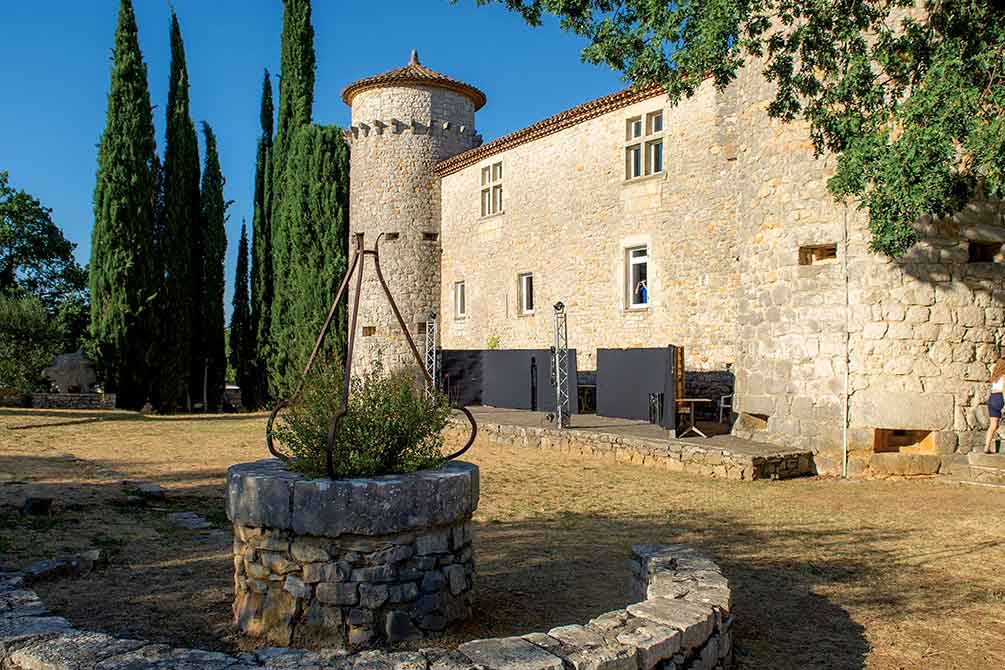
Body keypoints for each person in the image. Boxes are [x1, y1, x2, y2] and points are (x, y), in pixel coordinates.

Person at [985, 358, 1005, 454]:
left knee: (993, 425)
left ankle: (987, 447)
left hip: (992, 398)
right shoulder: (1004, 377)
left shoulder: (995, 377)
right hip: (1000, 398)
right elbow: (1004, 390)